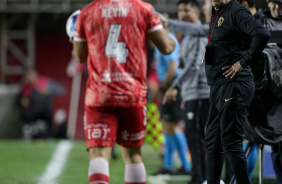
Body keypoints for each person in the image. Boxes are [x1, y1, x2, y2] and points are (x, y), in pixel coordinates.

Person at [164, 0, 270, 183]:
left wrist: (243, 62)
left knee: (231, 142)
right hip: (218, 86)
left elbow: (262, 34)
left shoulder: (236, 11)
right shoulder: (217, 12)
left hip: (234, 84)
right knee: (212, 143)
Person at [71, 0, 176, 183]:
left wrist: (74, 40)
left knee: (99, 153)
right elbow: (167, 48)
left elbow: (79, 57)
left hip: (99, 95)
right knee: (133, 154)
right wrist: (169, 35)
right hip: (132, 95)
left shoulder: (87, 13)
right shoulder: (144, 9)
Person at [162, 0, 210, 183]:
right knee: (193, 137)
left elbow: (195, 65)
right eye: (180, 11)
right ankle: (198, 177)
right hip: (193, 93)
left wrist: (177, 86)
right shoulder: (188, 36)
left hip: (201, 94)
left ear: (198, 13)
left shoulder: (198, 34)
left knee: (197, 138)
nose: (182, 14)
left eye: (187, 10)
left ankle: (199, 178)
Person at [153, 26, 191, 175]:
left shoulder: (166, 39)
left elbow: (173, 66)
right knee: (167, 126)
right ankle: (168, 165)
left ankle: (186, 165)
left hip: (171, 85)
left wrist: (163, 87)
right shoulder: (162, 39)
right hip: (169, 85)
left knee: (173, 126)